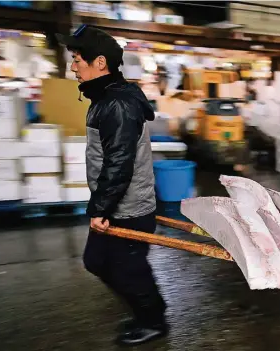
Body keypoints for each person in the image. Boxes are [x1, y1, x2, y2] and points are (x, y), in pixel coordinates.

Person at [57, 25, 168, 346]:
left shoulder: (116, 104)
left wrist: (101, 209)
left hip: (128, 207)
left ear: (100, 63)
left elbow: (118, 163)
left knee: (127, 269)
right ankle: (147, 311)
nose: (73, 67)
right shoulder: (108, 97)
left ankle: (154, 321)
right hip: (116, 202)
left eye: (77, 60)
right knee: (97, 261)